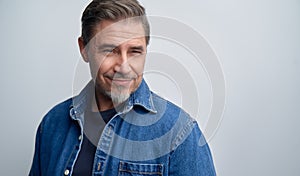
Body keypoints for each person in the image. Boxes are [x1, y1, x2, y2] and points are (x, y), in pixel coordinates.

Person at [29, 0, 216, 175]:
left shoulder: (180, 133)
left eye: (135, 51)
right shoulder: (52, 124)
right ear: (84, 49)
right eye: (109, 50)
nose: (124, 67)